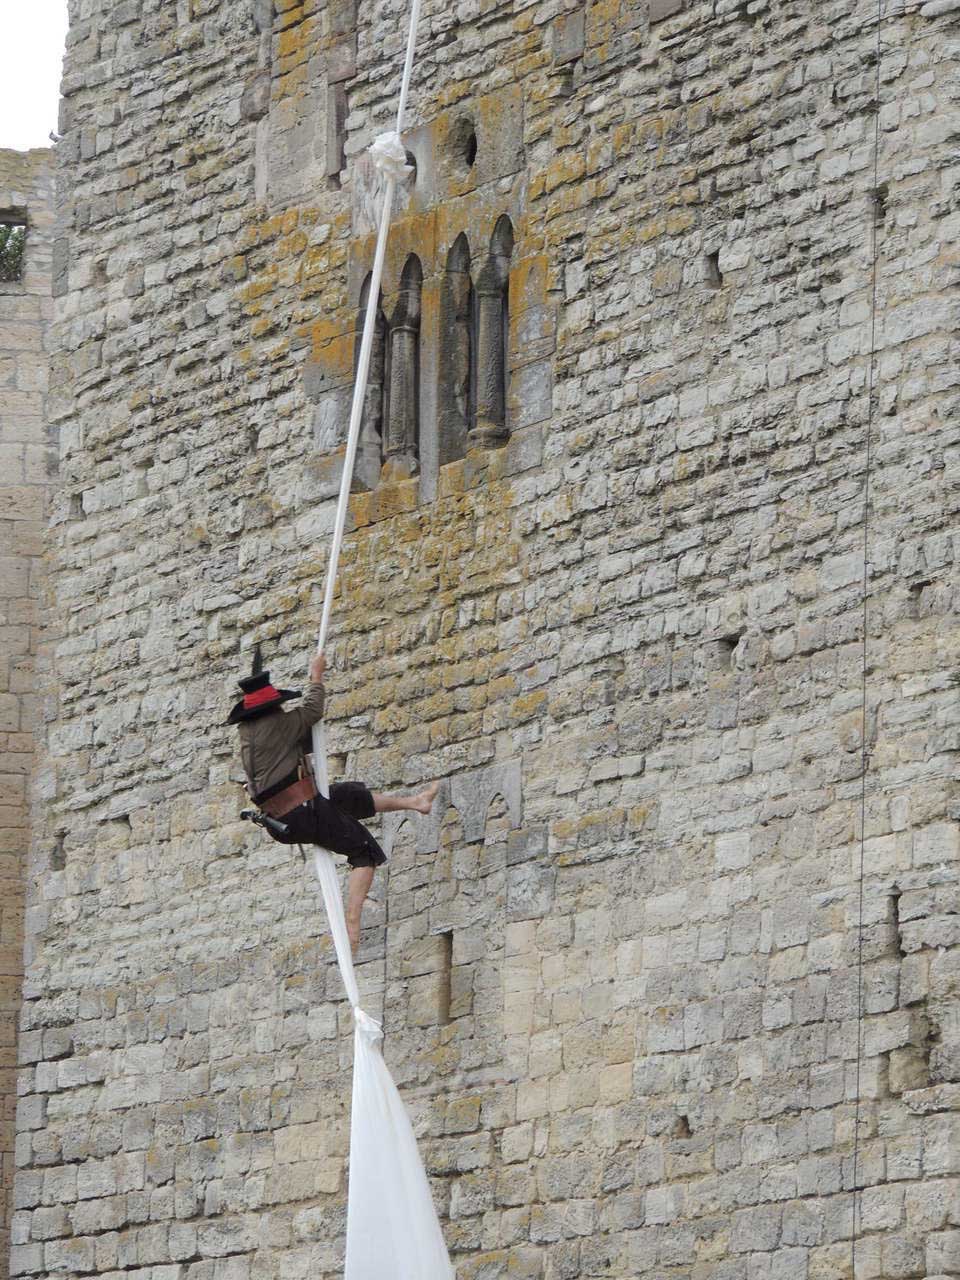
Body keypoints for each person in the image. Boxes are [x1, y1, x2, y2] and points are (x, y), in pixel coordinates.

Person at [229, 652, 439, 950]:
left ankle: (415, 802)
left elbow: (293, 746)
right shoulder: (277, 725)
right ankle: (351, 922)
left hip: (288, 814)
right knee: (365, 853)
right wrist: (317, 675)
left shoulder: (250, 732)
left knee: (346, 796)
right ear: (272, 706)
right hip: (299, 815)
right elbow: (313, 710)